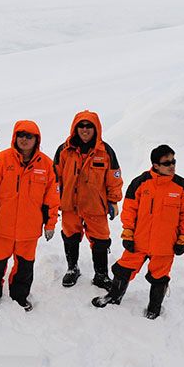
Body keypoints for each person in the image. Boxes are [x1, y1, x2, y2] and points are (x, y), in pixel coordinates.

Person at [93, 145, 184, 319]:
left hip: (165, 245)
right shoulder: (140, 183)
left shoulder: (183, 188)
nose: (172, 166)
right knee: (122, 270)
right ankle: (113, 296)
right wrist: (128, 232)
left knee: (160, 277)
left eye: (173, 161)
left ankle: (154, 308)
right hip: (139, 242)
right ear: (155, 165)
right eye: (167, 163)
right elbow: (129, 210)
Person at [0, 120, 60, 313]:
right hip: (1, 228)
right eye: (21, 135)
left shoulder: (47, 165)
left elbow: (52, 198)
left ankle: (19, 296)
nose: (24, 139)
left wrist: (50, 224)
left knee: (24, 268)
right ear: (15, 136)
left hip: (29, 230)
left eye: (29, 136)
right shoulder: (0, 161)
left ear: (36, 139)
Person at [53, 111, 123, 288]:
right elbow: (55, 178)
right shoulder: (64, 150)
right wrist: (54, 201)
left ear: (96, 128)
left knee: (100, 240)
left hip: (95, 206)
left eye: (89, 126)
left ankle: (101, 275)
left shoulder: (106, 151)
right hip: (70, 205)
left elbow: (114, 178)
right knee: (70, 237)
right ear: (75, 128)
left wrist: (113, 201)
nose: (85, 130)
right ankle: (72, 269)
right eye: (81, 126)